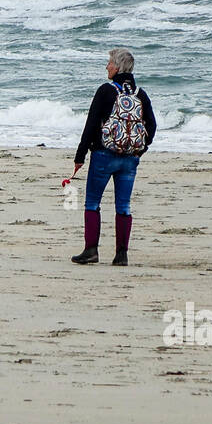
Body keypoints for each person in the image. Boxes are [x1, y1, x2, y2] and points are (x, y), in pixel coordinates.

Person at [71, 47, 156, 266]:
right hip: (130, 159)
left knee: (92, 203)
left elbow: (91, 125)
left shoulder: (105, 91)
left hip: (103, 155)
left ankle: (91, 251)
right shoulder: (140, 94)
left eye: (109, 62)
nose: (107, 66)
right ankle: (121, 255)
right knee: (124, 206)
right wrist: (140, 149)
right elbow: (152, 126)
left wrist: (80, 155)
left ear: (117, 67)